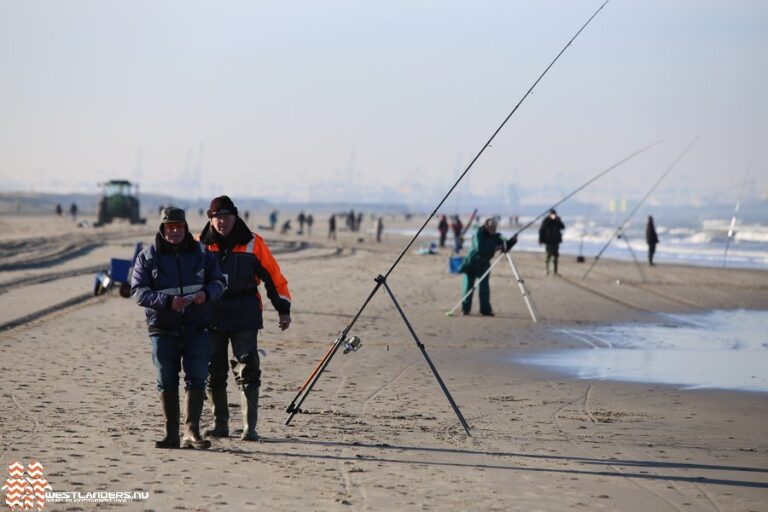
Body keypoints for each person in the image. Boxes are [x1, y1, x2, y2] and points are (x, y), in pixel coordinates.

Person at [131, 207, 226, 449]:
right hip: (162, 329)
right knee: (166, 381)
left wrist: (206, 294)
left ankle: (192, 432)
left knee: (197, 379)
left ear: (185, 228)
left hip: (197, 327)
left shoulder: (202, 253)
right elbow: (138, 291)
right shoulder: (147, 257)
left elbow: (219, 282)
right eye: (170, 227)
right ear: (162, 229)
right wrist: (166, 302)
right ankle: (171, 434)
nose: (174, 231)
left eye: (179, 227)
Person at [199, 196, 292, 441]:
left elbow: (274, 278)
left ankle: (250, 428)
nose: (222, 222)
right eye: (217, 217)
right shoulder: (199, 245)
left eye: (227, 217)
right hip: (211, 316)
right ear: (211, 218)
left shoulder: (253, 243)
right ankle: (220, 425)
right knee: (213, 371)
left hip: (245, 315)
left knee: (248, 369)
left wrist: (283, 309)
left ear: (235, 217)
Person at [459, 218, 516, 316]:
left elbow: (505, 243)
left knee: (484, 287)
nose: (492, 230)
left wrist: (512, 241)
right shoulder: (479, 233)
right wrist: (496, 247)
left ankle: (485, 310)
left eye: (494, 228)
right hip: (472, 262)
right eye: (491, 227)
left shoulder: (497, 236)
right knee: (468, 286)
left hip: (484, 264)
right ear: (486, 225)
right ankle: (465, 308)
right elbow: (480, 248)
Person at [539, 209, 565, 275]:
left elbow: (563, 227)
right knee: (548, 256)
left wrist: (558, 220)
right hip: (549, 242)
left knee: (556, 256)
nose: (553, 215)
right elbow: (541, 231)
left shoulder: (557, 221)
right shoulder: (546, 221)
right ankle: (546, 269)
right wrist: (541, 240)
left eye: (554, 214)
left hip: (556, 241)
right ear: (549, 214)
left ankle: (555, 271)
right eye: (552, 214)